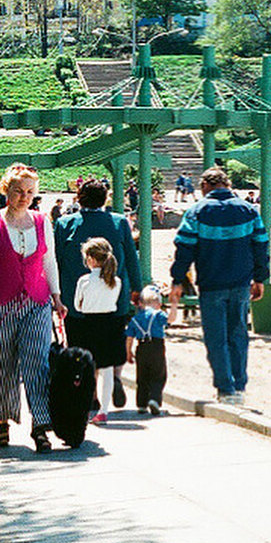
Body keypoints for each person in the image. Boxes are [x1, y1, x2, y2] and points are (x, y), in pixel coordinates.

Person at [0, 163, 67, 453]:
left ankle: (40, 425)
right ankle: (2, 421)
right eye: (18, 191)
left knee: (37, 362)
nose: (24, 197)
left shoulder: (41, 221)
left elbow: (50, 262)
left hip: (36, 301)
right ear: (6, 191)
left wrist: (57, 297)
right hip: (0, 302)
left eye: (29, 192)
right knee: (2, 364)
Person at [169, 167, 270, 405]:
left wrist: (176, 280)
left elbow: (184, 249)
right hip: (240, 283)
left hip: (211, 283)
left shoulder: (196, 212)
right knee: (238, 334)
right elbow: (261, 246)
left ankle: (225, 390)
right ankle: (239, 387)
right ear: (227, 184)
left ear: (205, 186)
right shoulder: (249, 210)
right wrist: (260, 278)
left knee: (216, 338)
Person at [54, 179, 142, 412]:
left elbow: (55, 261)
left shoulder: (64, 224)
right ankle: (115, 376)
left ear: (79, 198)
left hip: (78, 302)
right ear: (106, 199)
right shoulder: (120, 222)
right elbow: (132, 258)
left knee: (83, 347)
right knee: (113, 341)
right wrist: (137, 288)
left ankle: (92, 394)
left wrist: (54, 295)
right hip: (114, 299)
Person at [73, 237, 123, 425]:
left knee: (88, 367)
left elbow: (77, 306)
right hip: (109, 324)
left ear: (91, 259)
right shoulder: (116, 281)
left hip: (88, 324)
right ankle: (104, 411)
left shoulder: (84, 281)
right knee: (107, 369)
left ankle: (86, 405)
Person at [125, 284, 175, 416]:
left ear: (140, 303)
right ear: (158, 303)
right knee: (158, 375)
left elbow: (129, 337)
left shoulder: (135, 319)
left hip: (141, 347)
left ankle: (141, 404)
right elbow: (171, 320)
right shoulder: (159, 315)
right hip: (157, 346)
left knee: (142, 376)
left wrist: (128, 352)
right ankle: (154, 399)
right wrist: (174, 305)